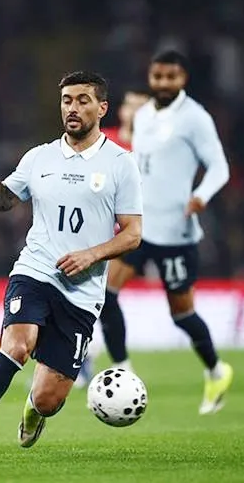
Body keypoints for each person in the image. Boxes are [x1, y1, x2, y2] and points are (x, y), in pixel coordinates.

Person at [0, 71, 143, 458]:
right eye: (67, 100)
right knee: (17, 346)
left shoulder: (122, 164)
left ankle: (34, 411)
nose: (73, 108)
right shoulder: (39, 157)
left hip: (83, 293)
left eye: (83, 100)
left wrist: (91, 254)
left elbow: (133, 234)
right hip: (34, 272)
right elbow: (4, 199)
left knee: (49, 398)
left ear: (102, 108)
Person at [101, 50, 233, 414]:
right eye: (157, 76)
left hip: (176, 232)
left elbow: (219, 166)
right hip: (140, 229)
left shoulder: (195, 118)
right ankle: (124, 371)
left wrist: (201, 196)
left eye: (170, 77)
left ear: (183, 79)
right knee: (106, 295)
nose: (162, 83)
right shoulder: (143, 116)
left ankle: (216, 370)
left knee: (181, 314)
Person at [74, 87, 149, 388]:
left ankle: (109, 364)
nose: (134, 112)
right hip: (101, 235)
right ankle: (91, 362)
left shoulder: (156, 148)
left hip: (136, 233)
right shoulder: (107, 142)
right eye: (131, 105)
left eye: (141, 106)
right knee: (100, 297)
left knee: (103, 296)